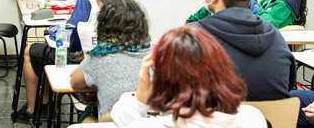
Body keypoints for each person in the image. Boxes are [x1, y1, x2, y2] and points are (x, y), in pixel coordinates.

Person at [17, 0, 122, 122]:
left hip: (80, 59)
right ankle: (45, 99)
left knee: (30, 51)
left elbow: (71, 40)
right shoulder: (122, 3)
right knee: (43, 53)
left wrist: (53, 32)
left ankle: (33, 108)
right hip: (111, 66)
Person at [110, 25, 267, 128]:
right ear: (222, 68)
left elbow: (123, 118)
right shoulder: (253, 119)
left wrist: (140, 96)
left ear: (163, 79)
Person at [189, 0, 295, 101]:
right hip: (269, 121)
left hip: (218, 120)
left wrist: (206, 8)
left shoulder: (196, 36)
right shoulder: (276, 36)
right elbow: (287, 87)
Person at [70, 0, 151, 121]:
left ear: (103, 25)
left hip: (113, 123)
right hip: (150, 122)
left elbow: (74, 82)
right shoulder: (156, 55)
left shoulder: (100, 57)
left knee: (87, 118)